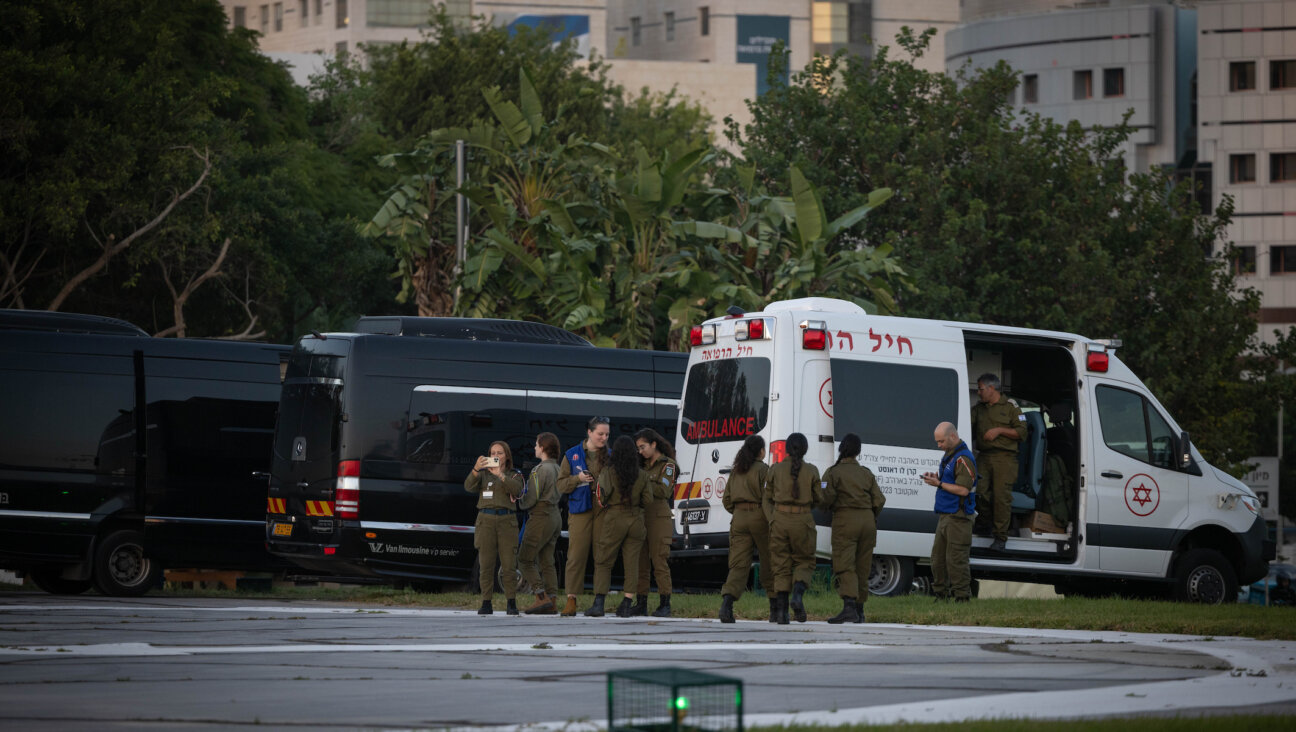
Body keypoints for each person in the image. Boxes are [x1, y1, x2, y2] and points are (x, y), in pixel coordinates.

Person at [821, 433, 885, 624]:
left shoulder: (833, 473)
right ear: (858, 452)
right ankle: (860, 611)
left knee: (845, 564)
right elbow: (879, 500)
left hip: (845, 520)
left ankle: (849, 607)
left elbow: (825, 498)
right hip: (867, 521)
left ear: (842, 449)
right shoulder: (866, 473)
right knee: (863, 567)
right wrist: (869, 515)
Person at [587, 435, 653, 617]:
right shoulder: (642, 474)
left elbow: (601, 497)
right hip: (636, 519)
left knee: (603, 560)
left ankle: (599, 604)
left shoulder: (608, 472)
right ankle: (626, 604)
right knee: (631, 564)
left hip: (614, 517)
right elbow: (648, 500)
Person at [762, 432, 825, 624]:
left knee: (780, 564)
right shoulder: (813, 470)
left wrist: (772, 518)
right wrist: (806, 509)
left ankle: (781, 613)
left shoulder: (774, 469)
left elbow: (767, 497)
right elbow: (819, 499)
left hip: (779, 520)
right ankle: (797, 596)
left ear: (787, 449)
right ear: (805, 449)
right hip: (803, 520)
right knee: (804, 561)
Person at [719, 435, 777, 623]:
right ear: (761, 451)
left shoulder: (737, 470)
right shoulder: (763, 469)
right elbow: (768, 498)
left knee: (738, 564)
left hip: (739, 518)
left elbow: (726, 499)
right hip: (759, 517)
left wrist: (738, 512)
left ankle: (727, 605)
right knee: (769, 560)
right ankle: (775, 608)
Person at [557, 416, 611, 616]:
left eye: (606, 434)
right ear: (589, 432)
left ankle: (599, 600)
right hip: (579, 510)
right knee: (576, 555)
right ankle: (571, 599)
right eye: (600, 434)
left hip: (603, 511)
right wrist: (577, 478)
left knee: (602, 555)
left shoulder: (611, 456)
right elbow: (561, 484)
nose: (604, 438)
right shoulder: (572, 455)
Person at [464, 440, 524, 615]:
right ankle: (486, 602)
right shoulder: (483, 474)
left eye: (500, 453)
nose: (496, 456)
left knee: (509, 564)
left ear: (507, 456)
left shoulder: (514, 474)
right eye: (493, 453)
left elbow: (518, 491)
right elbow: (468, 486)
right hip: (486, 520)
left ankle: (511, 602)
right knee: (486, 563)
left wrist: (500, 475)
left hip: (507, 521)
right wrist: (476, 468)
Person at [922, 422, 977, 602]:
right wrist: (937, 479)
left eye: (941, 441)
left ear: (953, 436)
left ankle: (962, 597)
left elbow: (963, 490)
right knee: (937, 559)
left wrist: (939, 484)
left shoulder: (963, 458)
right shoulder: (950, 455)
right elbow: (951, 482)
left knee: (956, 560)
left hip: (959, 516)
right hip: (946, 514)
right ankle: (941, 594)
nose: (939, 445)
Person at [970, 373, 1025, 553]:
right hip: (984, 457)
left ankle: (1000, 537)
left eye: (980, 389)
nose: (978, 392)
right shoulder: (979, 409)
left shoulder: (1011, 407)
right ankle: (984, 524)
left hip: (1005, 459)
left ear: (991, 388)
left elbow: (1022, 433)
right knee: (979, 493)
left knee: (1001, 498)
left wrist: (999, 430)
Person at [633, 428, 677, 617]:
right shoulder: (640, 465)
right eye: (638, 448)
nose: (640, 451)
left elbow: (663, 491)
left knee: (659, 560)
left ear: (653, 444)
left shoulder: (668, 465)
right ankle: (641, 601)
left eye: (643, 447)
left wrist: (641, 480)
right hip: (641, 516)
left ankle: (665, 603)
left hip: (659, 517)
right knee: (641, 562)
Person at [519, 432, 562, 615]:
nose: (535, 448)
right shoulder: (559, 468)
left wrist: (520, 501)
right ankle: (552, 601)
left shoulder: (539, 470)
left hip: (540, 516)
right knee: (547, 561)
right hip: (555, 516)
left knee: (524, 559)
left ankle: (540, 596)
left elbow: (531, 498)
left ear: (543, 448)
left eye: (537, 445)